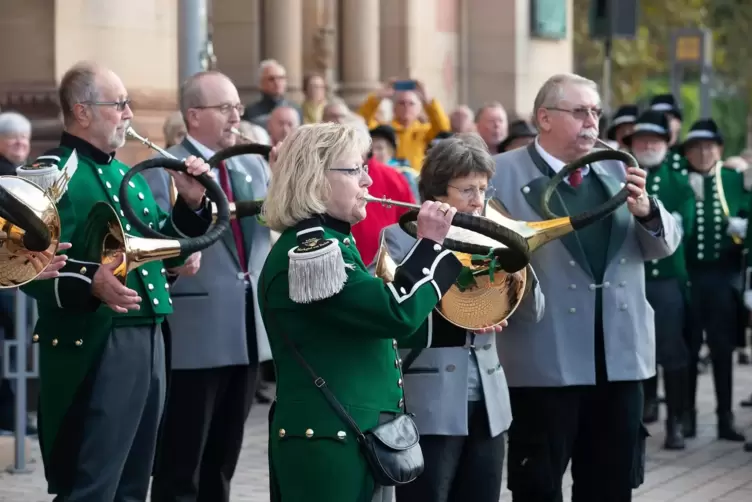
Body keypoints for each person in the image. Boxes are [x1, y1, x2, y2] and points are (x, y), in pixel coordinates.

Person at [260, 122, 503, 502]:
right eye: (355, 169)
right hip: (330, 441)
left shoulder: (336, 242)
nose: (368, 182)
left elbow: (374, 327)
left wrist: (469, 318)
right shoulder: (315, 250)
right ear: (316, 178)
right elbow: (395, 313)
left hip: (354, 435)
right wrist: (431, 247)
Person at [19, 61, 213, 501]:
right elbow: (19, 263)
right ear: (82, 111)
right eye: (119, 104)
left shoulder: (128, 177)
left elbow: (159, 243)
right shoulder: (50, 174)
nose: (128, 114)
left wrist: (190, 205)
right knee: (94, 483)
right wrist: (88, 280)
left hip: (149, 331)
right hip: (96, 338)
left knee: (134, 479)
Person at [491, 73, 682, 501]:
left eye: (596, 112)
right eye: (579, 112)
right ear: (544, 118)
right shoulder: (499, 173)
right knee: (537, 484)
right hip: (543, 360)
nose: (591, 122)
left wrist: (648, 211)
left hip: (618, 358)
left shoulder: (619, 166)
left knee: (611, 484)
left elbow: (663, 245)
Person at [377, 133, 544, 502]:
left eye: (483, 189)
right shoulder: (399, 238)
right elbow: (395, 319)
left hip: (488, 402)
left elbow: (534, 313)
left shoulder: (495, 239)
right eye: (467, 189)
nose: (478, 201)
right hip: (429, 401)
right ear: (437, 192)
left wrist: (519, 269)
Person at [143, 70, 272, 502]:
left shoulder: (249, 164)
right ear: (194, 115)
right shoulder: (163, 169)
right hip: (194, 337)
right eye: (225, 108)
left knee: (223, 461)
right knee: (182, 464)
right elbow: (157, 245)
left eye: (238, 106)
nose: (236, 116)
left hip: (245, 332)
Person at [624, 110, 695, 450]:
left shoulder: (680, 182)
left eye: (655, 139)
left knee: (672, 352)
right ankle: (637, 420)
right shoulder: (618, 178)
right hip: (634, 278)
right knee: (635, 352)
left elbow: (684, 231)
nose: (648, 144)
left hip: (667, 280)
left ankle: (677, 421)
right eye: (641, 140)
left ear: (667, 145)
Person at [685, 118, 748, 443]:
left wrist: (744, 227)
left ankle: (725, 417)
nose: (703, 152)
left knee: (723, 350)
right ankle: (688, 419)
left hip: (724, 277)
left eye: (708, 146)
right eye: (695, 147)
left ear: (719, 149)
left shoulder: (733, 179)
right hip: (690, 279)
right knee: (689, 350)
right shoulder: (680, 178)